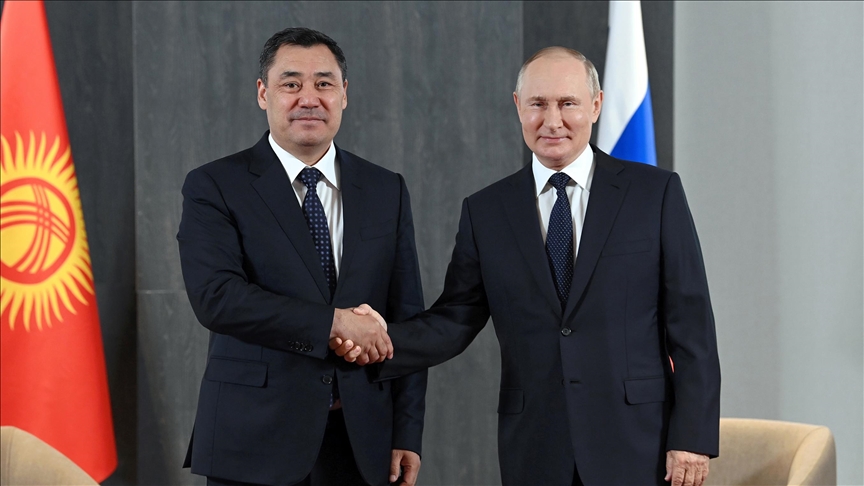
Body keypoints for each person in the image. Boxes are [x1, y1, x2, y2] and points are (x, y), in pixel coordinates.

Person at [333, 47, 721, 486]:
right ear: (519, 106)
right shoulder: (486, 211)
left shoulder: (654, 193)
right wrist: (377, 337)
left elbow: (692, 326)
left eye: (568, 103)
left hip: (639, 443)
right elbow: (454, 320)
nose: (552, 121)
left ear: (596, 105)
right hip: (537, 446)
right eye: (538, 104)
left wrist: (692, 437)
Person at [178, 27, 427, 486]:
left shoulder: (385, 189)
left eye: (324, 83)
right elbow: (217, 298)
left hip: (360, 441)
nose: (308, 98)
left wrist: (406, 432)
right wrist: (335, 323)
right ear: (263, 93)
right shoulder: (214, 185)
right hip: (253, 439)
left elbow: (406, 316)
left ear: (344, 94)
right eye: (291, 83)